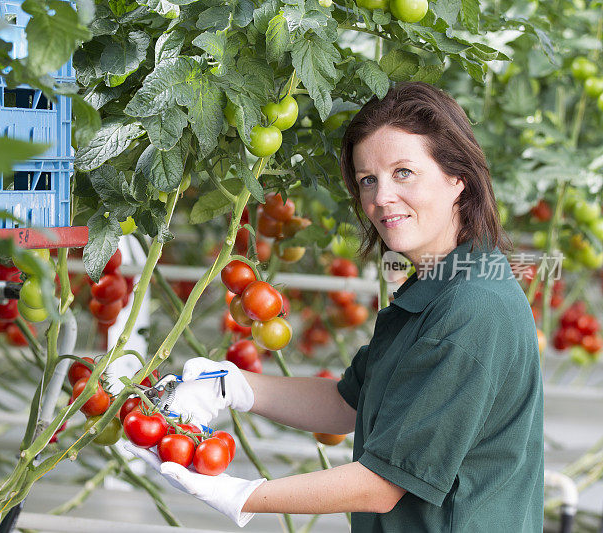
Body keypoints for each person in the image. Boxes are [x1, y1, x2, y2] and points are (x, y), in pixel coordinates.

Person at [125, 82, 544, 532]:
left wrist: (245, 494)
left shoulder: (473, 309)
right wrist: (234, 387)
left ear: (457, 178)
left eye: (404, 172)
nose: (381, 198)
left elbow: (382, 485)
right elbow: (349, 403)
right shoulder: (441, 284)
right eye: (368, 180)